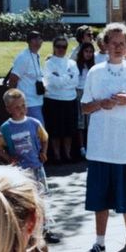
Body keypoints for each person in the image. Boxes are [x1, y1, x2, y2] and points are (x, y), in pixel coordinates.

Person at [81, 23, 126, 252]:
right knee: (101, 194)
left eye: (122, 43)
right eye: (113, 43)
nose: (118, 47)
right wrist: (102, 103)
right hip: (102, 144)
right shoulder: (95, 72)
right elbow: (85, 107)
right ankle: (99, 242)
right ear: (105, 45)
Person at [0, 88, 59, 244]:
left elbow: (44, 138)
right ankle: (27, 231)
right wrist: (9, 158)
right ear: (8, 109)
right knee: (24, 200)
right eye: (17, 107)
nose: (21, 110)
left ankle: (46, 229)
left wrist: (43, 152)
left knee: (42, 196)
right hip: (20, 171)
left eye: (23, 105)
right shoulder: (6, 128)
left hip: (36, 167)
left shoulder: (34, 123)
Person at [43, 35, 80, 163]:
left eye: (64, 46)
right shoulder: (49, 63)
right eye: (58, 46)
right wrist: (67, 77)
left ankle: (68, 154)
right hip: (53, 100)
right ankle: (57, 155)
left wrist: (60, 78)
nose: (61, 49)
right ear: (54, 47)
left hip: (70, 99)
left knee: (68, 130)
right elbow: (52, 82)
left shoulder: (72, 63)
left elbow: (75, 81)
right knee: (55, 130)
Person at [7, 30, 46, 125]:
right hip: (28, 103)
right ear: (28, 41)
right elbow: (13, 79)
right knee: (38, 132)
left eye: (39, 39)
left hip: (38, 101)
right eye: (34, 39)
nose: (37, 41)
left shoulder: (36, 56)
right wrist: (14, 101)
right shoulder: (23, 57)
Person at [74, 41, 97, 158]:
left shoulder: (93, 67)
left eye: (91, 52)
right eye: (86, 51)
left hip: (90, 94)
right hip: (79, 93)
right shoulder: (76, 65)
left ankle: (91, 145)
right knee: (81, 122)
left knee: (90, 122)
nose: (88, 54)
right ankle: (82, 147)